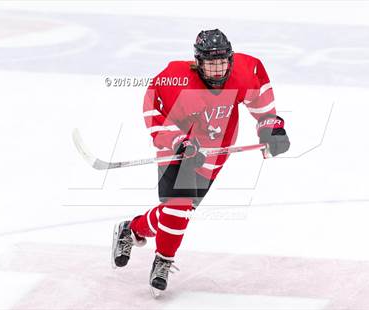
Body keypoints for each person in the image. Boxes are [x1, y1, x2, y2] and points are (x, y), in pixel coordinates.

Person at [111, 29, 290, 293]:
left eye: (222, 62)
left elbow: (261, 103)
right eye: (211, 63)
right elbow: (153, 105)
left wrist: (271, 128)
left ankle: (131, 229)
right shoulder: (175, 79)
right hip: (178, 144)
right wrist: (177, 142)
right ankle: (163, 260)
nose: (218, 70)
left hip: (216, 148)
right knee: (179, 207)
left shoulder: (245, 70)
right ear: (198, 62)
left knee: (179, 211)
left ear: (230, 59)